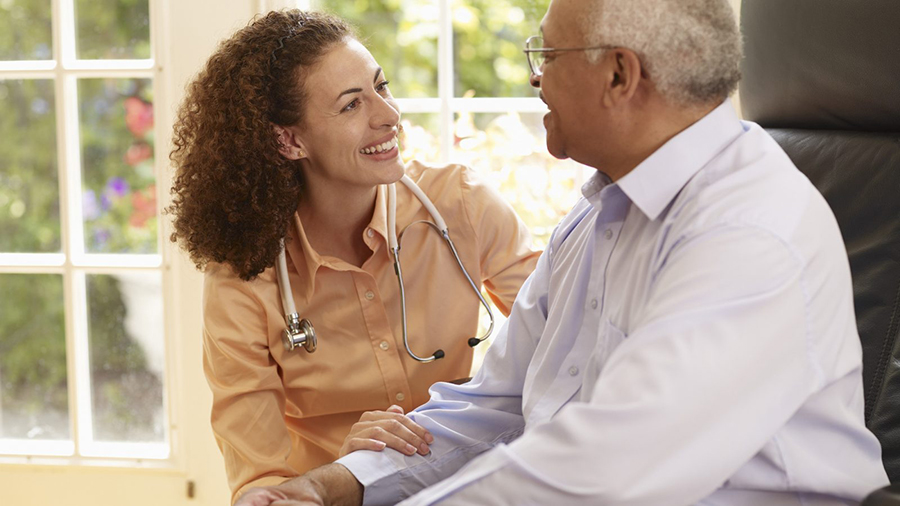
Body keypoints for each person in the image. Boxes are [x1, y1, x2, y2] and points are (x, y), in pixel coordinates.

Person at [232, 0, 893, 505]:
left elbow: (607, 466)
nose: (534, 80)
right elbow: (498, 403)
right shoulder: (599, 214)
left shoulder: (749, 232)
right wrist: (334, 485)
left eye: (546, 57)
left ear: (618, 74)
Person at [167, 9, 540, 505]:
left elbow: (568, 337)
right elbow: (260, 481)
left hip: (470, 487)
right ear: (290, 139)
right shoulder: (244, 280)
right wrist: (346, 472)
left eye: (381, 87)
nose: (389, 115)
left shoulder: (462, 205)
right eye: (351, 106)